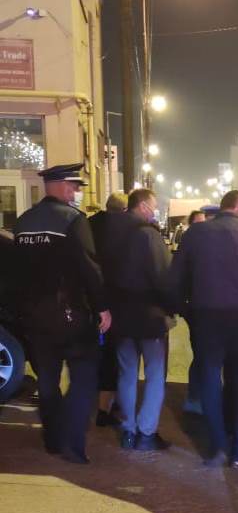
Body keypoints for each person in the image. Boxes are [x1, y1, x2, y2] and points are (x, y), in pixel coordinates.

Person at [169, 189, 238, 468]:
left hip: (206, 319)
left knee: (209, 379)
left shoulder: (195, 234)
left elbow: (176, 278)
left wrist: (186, 311)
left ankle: (217, 445)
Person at [11, 163, 111, 464]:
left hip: (34, 317)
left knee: (47, 380)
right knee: (84, 377)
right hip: (71, 315)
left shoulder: (23, 222)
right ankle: (73, 444)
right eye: (74, 186)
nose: (76, 192)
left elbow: (18, 274)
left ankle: (52, 439)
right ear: (61, 186)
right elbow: (90, 269)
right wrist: (103, 307)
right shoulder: (73, 220)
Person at [110, 188, 174, 451]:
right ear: (144, 206)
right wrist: (172, 307)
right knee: (155, 373)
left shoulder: (111, 232)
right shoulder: (149, 235)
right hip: (150, 316)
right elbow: (163, 277)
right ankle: (146, 432)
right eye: (154, 206)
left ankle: (128, 430)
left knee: (126, 373)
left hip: (121, 315)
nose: (154, 211)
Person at [89, 191, 130, 427]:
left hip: (90, 298)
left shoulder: (89, 224)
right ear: (124, 210)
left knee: (98, 352)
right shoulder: (126, 228)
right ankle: (106, 408)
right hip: (115, 300)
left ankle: (98, 401)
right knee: (114, 355)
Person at [181, 208, 206, 414]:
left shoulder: (211, 244)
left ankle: (202, 396)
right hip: (195, 310)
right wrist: (183, 308)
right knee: (200, 354)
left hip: (208, 310)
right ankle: (195, 398)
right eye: (197, 223)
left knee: (206, 355)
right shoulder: (188, 245)